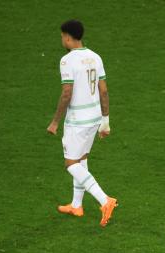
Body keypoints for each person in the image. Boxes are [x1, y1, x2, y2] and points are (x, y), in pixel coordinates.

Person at [46, 19, 117, 227]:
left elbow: (66, 93)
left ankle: (105, 200)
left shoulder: (67, 61)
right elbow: (104, 91)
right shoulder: (95, 57)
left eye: (62, 36)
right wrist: (105, 121)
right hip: (94, 118)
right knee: (82, 158)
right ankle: (77, 205)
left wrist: (55, 122)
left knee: (71, 164)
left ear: (67, 37)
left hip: (77, 121)